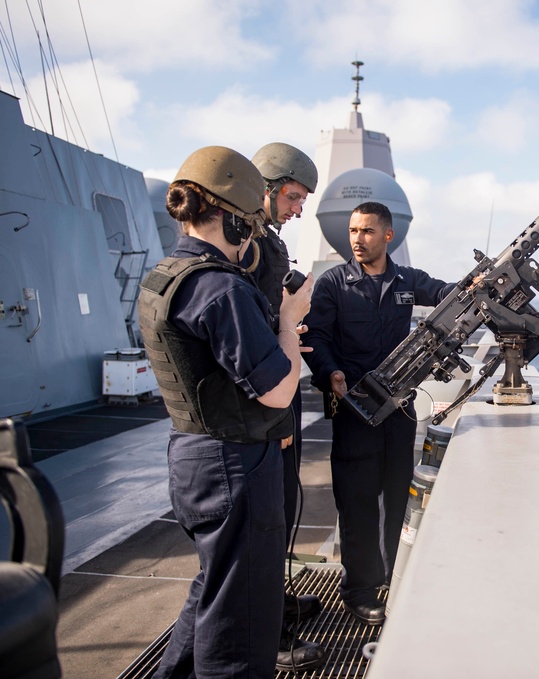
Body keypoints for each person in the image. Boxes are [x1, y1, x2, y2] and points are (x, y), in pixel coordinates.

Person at [137, 145, 320, 676]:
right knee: (241, 623)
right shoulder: (220, 288)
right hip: (235, 463)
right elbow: (280, 393)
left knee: (214, 588)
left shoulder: (166, 275)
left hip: (194, 456)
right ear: (238, 223)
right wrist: (288, 320)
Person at [301, 201, 455, 624]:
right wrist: (329, 371)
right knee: (359, 505)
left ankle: (391, 577)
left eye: (367, 231)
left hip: (399, 412)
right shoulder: (334, 283)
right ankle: (358, 590)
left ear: (388, 236)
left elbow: (446, 293)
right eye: (353, 231)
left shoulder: (406, 280)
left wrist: (475, 282)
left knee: (398, 500)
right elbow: (315, 334)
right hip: (355, 411)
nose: (357, 239)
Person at [247, 143, 325, 647]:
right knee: (266, 521)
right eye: (293, 197)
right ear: (267, 189)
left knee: (282, 504)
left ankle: (274, 597)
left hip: (281, 384)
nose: (298, 210)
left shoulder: (264, 243)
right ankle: (266, 627)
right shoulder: (250, 247)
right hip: (265, 402)